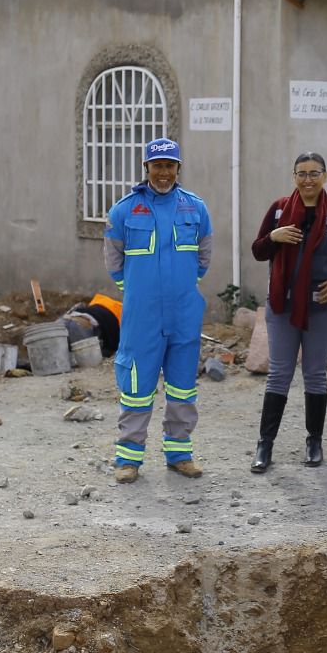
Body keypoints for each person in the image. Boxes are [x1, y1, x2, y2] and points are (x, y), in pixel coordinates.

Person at [103, 137, 213, 483]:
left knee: (182, 387)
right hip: (142, 316)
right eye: (157, 165)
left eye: (169, 165)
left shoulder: (195, 208)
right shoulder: (124, 210)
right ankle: (128, 458)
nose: (163, 172)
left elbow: (204, 256)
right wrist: (134, 291)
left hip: (184, 313)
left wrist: (184, 286)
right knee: (136, 384)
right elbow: (113, 260)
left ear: (178, 168)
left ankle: (179, 453)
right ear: (146, 168)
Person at [248, 152, 327, 473]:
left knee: (315, 373)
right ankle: (265, 445)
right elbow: (258, 250)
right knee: (279, 374)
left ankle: (314, 440)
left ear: (325, 176)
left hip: (323, 308)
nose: (308, 179)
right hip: (282, 305)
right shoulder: (280, 209)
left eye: (314, 173)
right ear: (293, 176)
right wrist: (274, 236)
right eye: (302, 173)